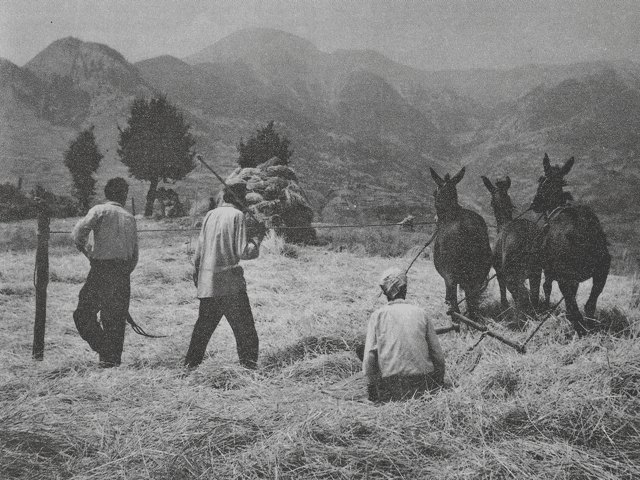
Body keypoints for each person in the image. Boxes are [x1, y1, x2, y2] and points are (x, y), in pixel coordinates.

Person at [184, 178, 261, 369]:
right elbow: (243, 251)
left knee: (202, 330)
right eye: (244, 196)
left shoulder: (210, 215)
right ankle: (249, 368)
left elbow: (199, 252)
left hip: (208, 281)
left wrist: (197, 275)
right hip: (230, 285)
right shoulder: (237, 216)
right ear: (239, 197)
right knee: (246, 332)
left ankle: (189, 367)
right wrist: (258, 237)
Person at [71, 177, 138, 368]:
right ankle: (111, 360)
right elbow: (135, 254)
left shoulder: (99, 210)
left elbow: (78, 234)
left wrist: (88, 253)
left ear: (107, 194)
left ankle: (105, 351)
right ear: (123, 195)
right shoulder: (130, 217)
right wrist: (124, 272)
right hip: (121, 273)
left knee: (83, 314)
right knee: (115, 319)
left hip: (101, 269)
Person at [362, 267, 445, 402]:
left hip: (392, 387)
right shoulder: (421, 313)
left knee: (362, 349)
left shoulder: (377, 316)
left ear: (385, 292)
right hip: (423, 384)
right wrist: (439, 383)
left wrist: (372, 387)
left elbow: (369, 358)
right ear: (405, 289)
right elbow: (438, 355)